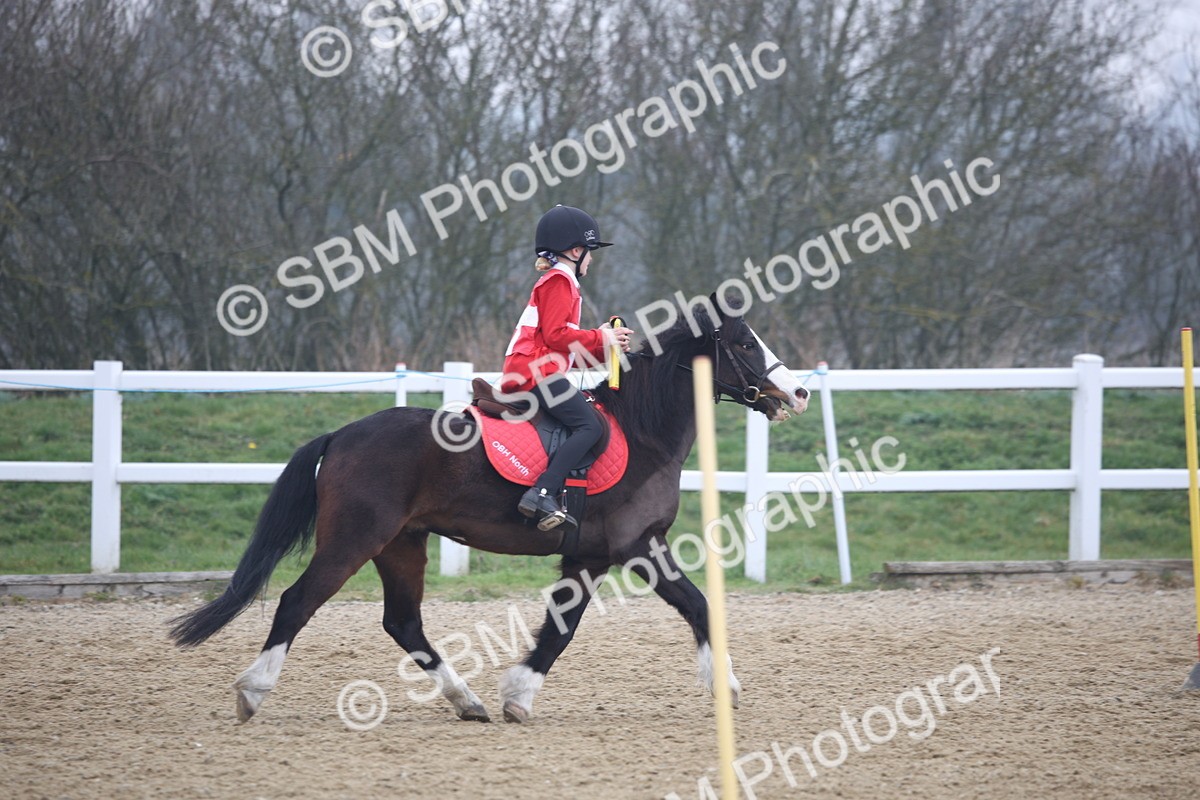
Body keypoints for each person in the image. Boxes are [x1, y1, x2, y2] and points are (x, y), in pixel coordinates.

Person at [499, 205, 635, 533]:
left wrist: (606, 346)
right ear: (576, 251)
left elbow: (564, 347)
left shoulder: (560, 281)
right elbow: (558, 335)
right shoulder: (560, 281)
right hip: (535, 373)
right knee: (591, 427)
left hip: (538, 370)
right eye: (589, 254)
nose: (590, 260)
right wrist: (602, 336)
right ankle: (542, 493)